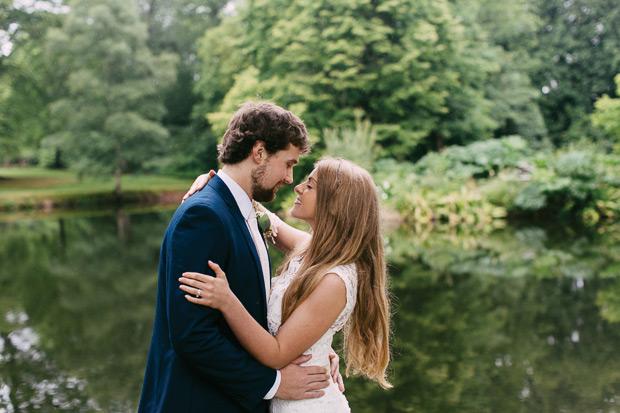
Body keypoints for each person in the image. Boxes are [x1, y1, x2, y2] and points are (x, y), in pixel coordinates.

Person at [139, 101, 339, 412]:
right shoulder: (203, 216)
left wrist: (313, 347)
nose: (290, 178)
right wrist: (273, 383)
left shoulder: (246, 213)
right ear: (259, 152)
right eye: (288, 163)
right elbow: (192, 335)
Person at [179, 157, 392, 412]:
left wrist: (226, 300)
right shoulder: (312, 251)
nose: (298, 187)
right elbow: (261, 214)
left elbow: (277, 353)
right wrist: (217, 183)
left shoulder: (335, 280)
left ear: (335, 205)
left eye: (310, 186)